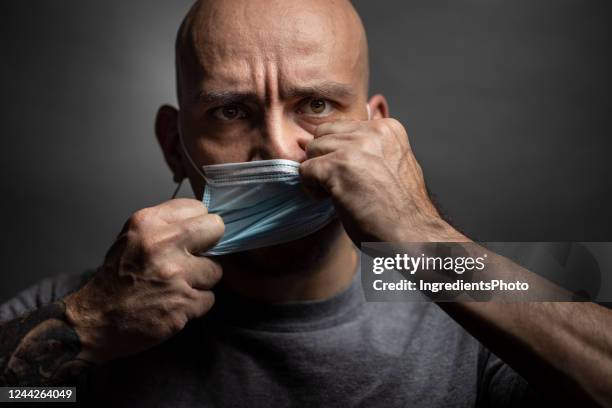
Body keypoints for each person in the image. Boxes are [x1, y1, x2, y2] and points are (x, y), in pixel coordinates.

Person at [1, 0, 611, 406]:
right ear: (174, 145)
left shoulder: (480, 311)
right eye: (230, 111)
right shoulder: (82, 317)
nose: (278, 145)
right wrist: (90, 324)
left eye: (316, 105)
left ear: (378, 134)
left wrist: (422, 236)